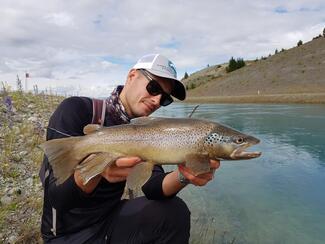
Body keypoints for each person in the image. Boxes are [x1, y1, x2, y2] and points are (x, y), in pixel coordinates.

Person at [40, 54, 220, 243]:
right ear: (132, 76)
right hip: (67, 234)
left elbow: (154, 187)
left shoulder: (147, 130)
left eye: (165, 98)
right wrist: (97, 170)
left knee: (175, 212)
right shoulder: (77, 110)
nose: (157, 100)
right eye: (154, 88)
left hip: (109, 220)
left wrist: (185, 175)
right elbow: (57, 198)